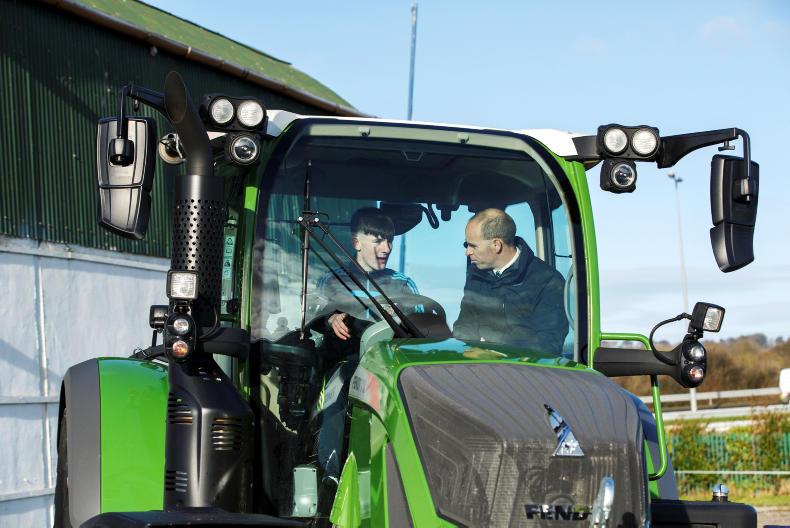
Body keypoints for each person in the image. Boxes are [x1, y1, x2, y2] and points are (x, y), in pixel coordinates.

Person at [453, 208, 568, 354]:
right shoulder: (475, 276)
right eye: (466, 245)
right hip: (478, 368)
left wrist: (495, 352)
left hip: (526, 372)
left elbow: (549, 342)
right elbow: (464, 326)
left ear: (496, 245)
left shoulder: (547, 280)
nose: (467, 252)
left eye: (473, 246)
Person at [315, 207, 420, 343]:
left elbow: (423, 325)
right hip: (342, 359)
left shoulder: (403, 284)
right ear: (356, 243)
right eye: (378, 242)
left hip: (391, 358)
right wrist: (331, 319)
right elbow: (311, 319)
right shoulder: (331, 279)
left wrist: (401, 322)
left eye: (390, 241)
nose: (387, 249)